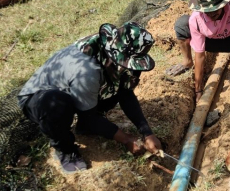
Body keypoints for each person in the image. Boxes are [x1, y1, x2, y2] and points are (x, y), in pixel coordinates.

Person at [17, 22, 163, 174]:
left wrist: (147, 133)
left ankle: (85, 126)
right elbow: (90, 117)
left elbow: (126, 93)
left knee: (119, 83)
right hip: (40, 99)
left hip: (75, 90)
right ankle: (66, 151)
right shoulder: (88, 71)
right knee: (55, 106)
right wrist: (126, 139)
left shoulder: (112, 52)